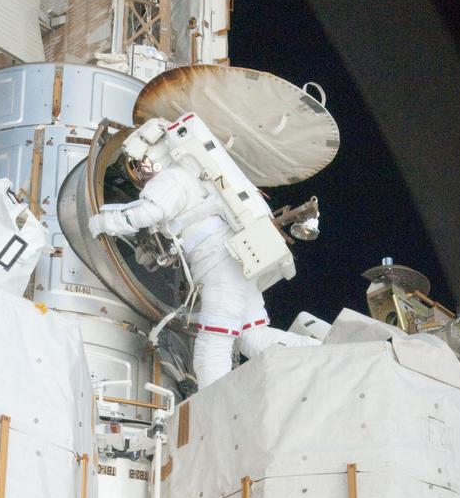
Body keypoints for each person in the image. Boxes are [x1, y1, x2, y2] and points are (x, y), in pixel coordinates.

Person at [88, 118, 317, 387]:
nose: (140, 172)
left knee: (213, 346)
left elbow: (148, 213)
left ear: (156, 154)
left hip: (222, 268)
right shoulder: (190, 176)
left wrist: (103, 222)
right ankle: (321, 353)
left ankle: (213, 411)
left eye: (141, 164)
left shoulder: (172, 178)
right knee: (250, 336)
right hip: (235, 264)